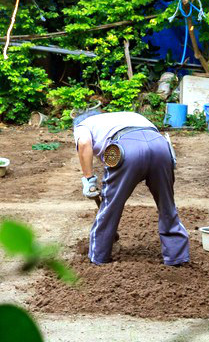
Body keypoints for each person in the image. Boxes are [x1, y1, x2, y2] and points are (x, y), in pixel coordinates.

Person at [73, 110, 190, 266]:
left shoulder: (83, 125)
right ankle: (177, 256)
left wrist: (88, 179)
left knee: (110, 206)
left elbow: (83, 144)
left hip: (127, 150)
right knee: (167, 204)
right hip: (160, 147)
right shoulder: (126, 116)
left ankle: (98, 257)